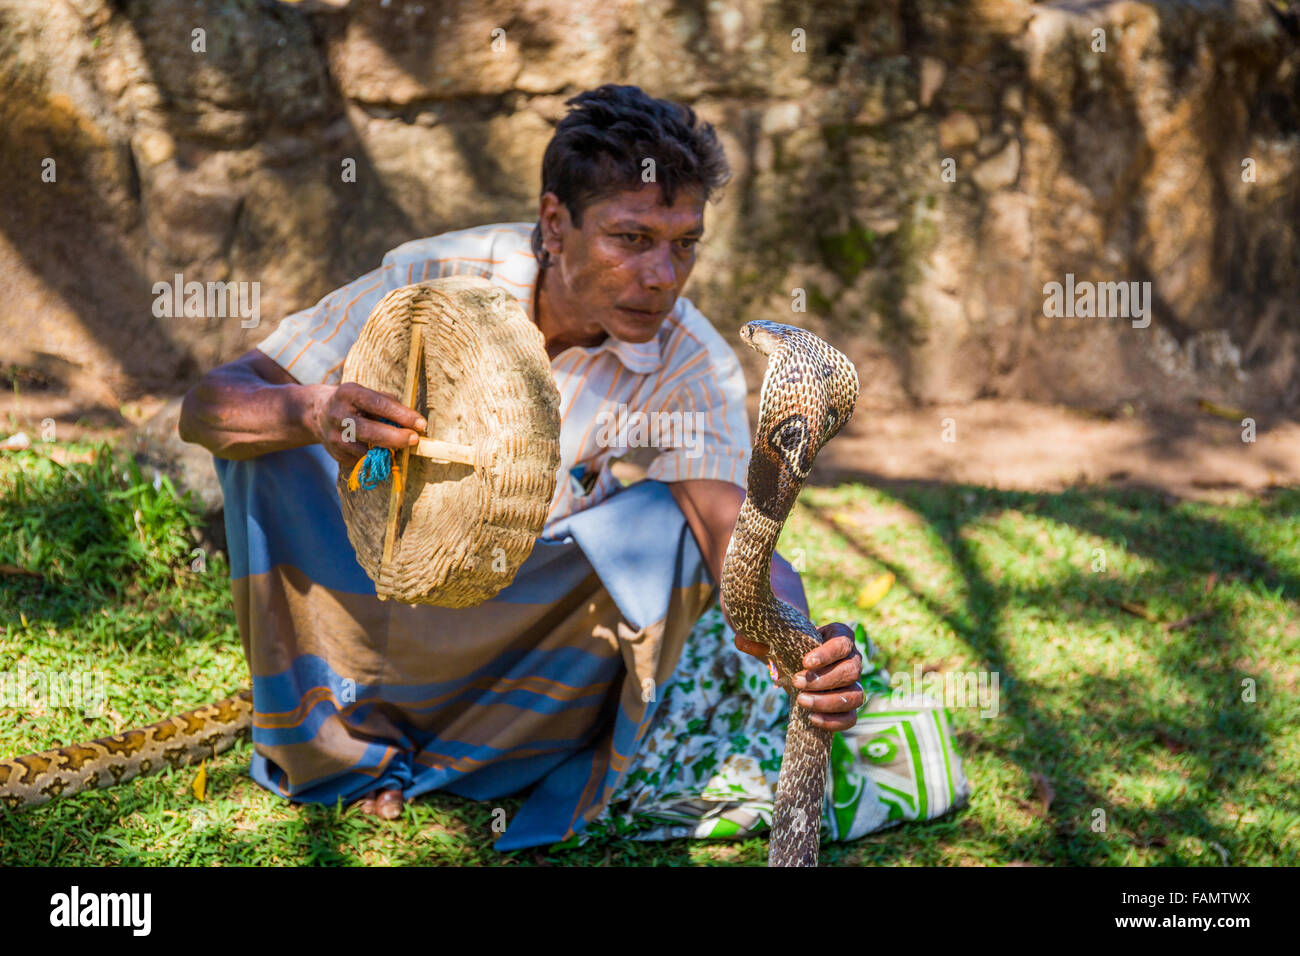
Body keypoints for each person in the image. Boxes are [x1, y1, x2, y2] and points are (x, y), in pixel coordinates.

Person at [179, 84, 864, 846]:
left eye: (684, 244)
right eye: (630, 238)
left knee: (667, 523)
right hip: (378, 591)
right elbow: (209, 403)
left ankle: (474, 757)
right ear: (553, 222)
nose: (662, 275)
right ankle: (339, 748)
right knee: (264, 447)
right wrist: (313, 412)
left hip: (517, 623)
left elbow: (729, 531)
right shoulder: (435, 275)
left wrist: (801, 642)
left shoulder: (689, 357)